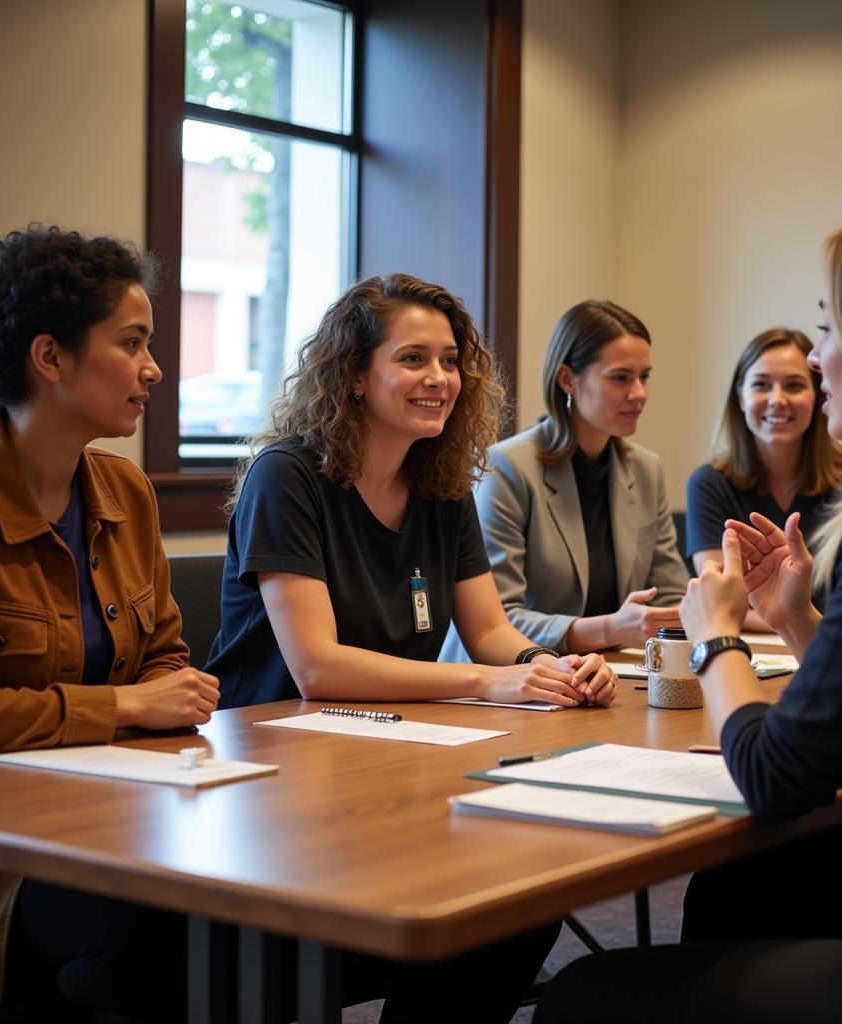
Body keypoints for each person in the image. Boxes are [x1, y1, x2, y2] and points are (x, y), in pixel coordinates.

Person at [535, 187, 842, 1024]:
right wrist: (796, 622)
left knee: (587, 998)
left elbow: (778, 775)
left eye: (829, 328)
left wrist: (716, 637)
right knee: (764, 887)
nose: (820, 362)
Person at [206, 272, 613, 1022]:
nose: (440, 379)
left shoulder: (442, 481)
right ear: (355, 375)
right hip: (269, 776)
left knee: (523, 897)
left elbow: (489, 632)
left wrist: (542, 666)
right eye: (414, 359)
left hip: (385, 757)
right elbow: (316, 667)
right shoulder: (285, 477)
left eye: (451, 360)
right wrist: (485, 684)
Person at [0, 226, 221, 1021]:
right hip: (10, 850)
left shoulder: (127, 491)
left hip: (114, 815)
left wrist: (165, 691)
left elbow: (166, 657)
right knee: (161, 943)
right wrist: (122, 708)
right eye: (133, 343)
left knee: (238, 911)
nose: (154, 368)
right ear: (50, 358)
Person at [441, 299, 689, 662]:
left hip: (604, 675)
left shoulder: (646, 470)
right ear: (568, 380)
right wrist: (610, 628)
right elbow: (496, 621)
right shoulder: (507, 467)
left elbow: (672, 598)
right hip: (508, 681)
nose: (639, 393)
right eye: (621, 377)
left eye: (644, 376)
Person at [685, 326, 842, 627]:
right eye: (761, 385)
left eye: (794, 385)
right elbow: (721, 602)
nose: (777, 399)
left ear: (817, 396)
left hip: (839, 651)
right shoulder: (709, 483)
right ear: (740, 398)